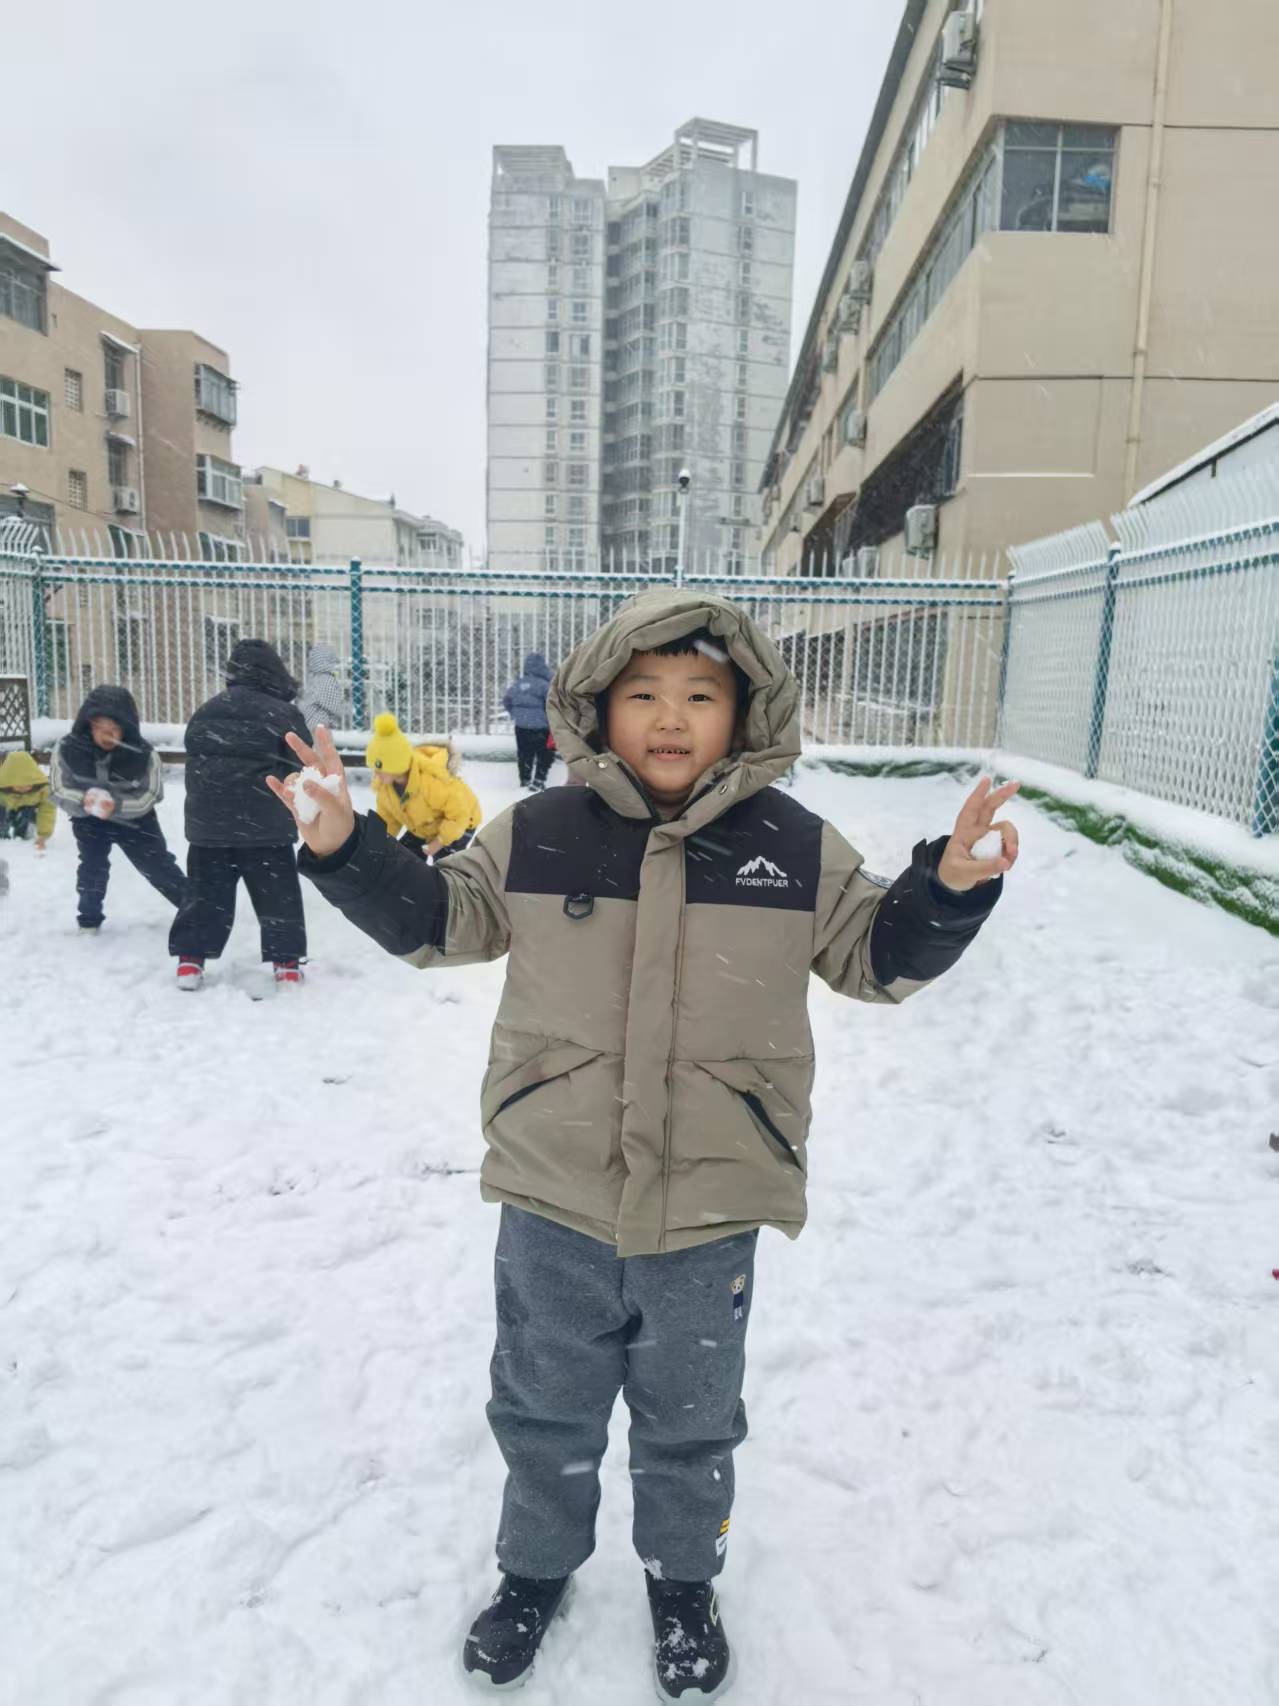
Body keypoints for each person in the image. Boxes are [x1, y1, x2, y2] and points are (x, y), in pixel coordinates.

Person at [272, 591, 1020, 1701]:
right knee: (543, 1406)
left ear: (743, 712)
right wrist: (345, 848)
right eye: (645, 695)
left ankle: (682, 1581)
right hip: (556, 1194)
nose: (671, 718)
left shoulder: (792, 846)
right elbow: (440, 922)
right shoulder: (540, 830)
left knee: (690, 1420)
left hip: (708, 1206)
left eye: (700, 695)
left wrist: (948, 886)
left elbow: (876, 958)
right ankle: (534, 1569)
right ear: (598, 707)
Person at [169, 639, 311, 990]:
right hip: (265, 825)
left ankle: (190, 962)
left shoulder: (206, 710)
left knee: (205, 894)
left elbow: (196, 765)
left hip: (208, 826)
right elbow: (301, 764)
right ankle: (286, 964)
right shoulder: (283, 713)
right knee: (277, 894)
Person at [48, 687, 186, 935]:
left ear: (127, 728)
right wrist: (85, 800)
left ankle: (193, 909)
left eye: (114, 728)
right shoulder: (68, 748)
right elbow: (58, 787)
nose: (107, 734)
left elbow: (152, 793)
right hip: (88, 818)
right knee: (92, 869)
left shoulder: (144, 754)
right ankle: (89, 920)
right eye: (100, 727)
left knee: (157, 865)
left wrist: (118, 806)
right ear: (88, 725)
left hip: (136, 820)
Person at [364, 712, 482, 859]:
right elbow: (388, 821)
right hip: (423, 823)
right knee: (405, 859)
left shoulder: (432, 782)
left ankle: (445, 870)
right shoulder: (386, 789)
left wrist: (439, 842)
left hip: (462, 821)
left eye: (380, 768)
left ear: (397, 764)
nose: (376, 773)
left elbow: (459, 815)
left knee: (444, 862)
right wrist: (377, 846)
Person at [504, 651, 555, 790]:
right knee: (544, 753)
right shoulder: (545, 685)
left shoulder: (517, 684)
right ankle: (539, 779)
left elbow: (507, 700)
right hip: (541, 728)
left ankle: (525, 779)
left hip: (521, 726)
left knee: (524, 754)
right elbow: (551, 704)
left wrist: (515, 714)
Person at [0, 749, 56, 849]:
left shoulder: (42, 790)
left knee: (26, 815)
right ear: (9, 781)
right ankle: (3, 838)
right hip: (4, 809)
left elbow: (47, 811)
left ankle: (23, 836)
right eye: (19, 786)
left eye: (28, 785)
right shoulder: (2, 787)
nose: (23, 789)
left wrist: (43, 835)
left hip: (27, 812)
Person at [296, 642, 348, 736]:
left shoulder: (312, 677)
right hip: (319, 724)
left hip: (308, 720)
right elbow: (333, 705)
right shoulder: (326, 679)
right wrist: (350, 710)